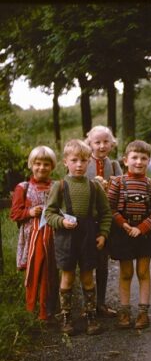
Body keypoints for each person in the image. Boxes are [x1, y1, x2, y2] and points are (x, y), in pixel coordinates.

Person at [45, 139, 112, 335]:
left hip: (89, 235)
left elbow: (106, 213)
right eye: (74, 160)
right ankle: (66, 317)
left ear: (89, 162)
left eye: (83, 160)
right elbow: (49, 213)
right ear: (65, 162)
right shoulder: (60, 186)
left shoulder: (94, 186)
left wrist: (103, 234)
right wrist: (61, 222)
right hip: (66, 237)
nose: (79, 165)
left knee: (87, 276)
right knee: (67, 276)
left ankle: (90, 315)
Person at [107, 140, 151, 329]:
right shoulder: (118, 182)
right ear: (125, 160)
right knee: (126, 272)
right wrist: (124, 225)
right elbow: (111, 207)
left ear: (148, 161)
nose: (139, 162)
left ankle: (143, 312)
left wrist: (141, 228)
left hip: (145, 233)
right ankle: (124, 311)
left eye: (143, 158)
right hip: (123, 232)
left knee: (142, 272)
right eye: (135, 158)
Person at [10, 146, 59, 324]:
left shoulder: (56, 186)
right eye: (37, 164)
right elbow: (15, 213)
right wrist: (30, 212)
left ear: (52, 166)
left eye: (46, 164)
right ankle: (31, 309)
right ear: (31, 165)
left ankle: (47, 309)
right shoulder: (23, 187)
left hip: (52, 235)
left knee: (50, 272)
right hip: (31, 236)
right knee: (33, 272)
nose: (42, 168)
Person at [85, 125, 122, 318]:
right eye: (97, 142)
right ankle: (87, 304)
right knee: (85, 263)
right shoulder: (83, 163)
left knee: (103, 263)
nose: (101, 146)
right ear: (89, 143)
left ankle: (100, 303)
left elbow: (121, 188)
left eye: (106, 142)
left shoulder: (114, 165)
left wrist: (111, 187)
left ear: (112, 143)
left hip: (106, 221)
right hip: (86, 220)